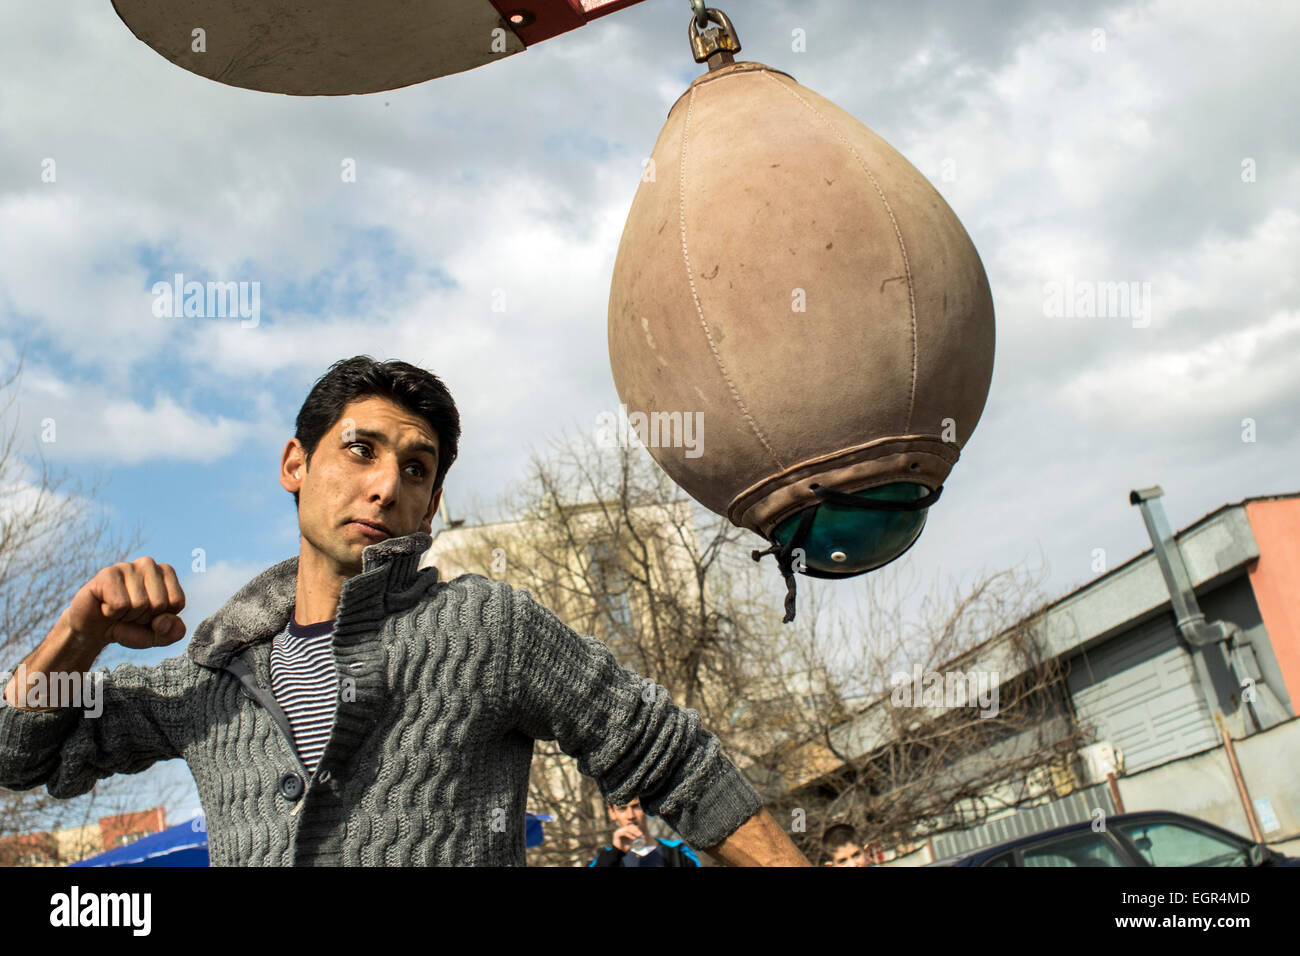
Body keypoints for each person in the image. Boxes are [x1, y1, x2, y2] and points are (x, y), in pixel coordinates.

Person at [0, 356, 811, 867]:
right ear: (295, 462)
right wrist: (79, 633)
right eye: (361, 450)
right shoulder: (211, 678)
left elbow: (669, 759)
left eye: (416, 469)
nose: (386, 485)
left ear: (429, 508)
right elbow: (20, 757)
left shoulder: (486, 630)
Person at [588, 796, 701, 867]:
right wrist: (615, 852)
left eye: (636, 806)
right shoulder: (604, 859)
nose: (630, 816)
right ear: (612, 812)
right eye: (622, 809)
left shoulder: (678, 853)